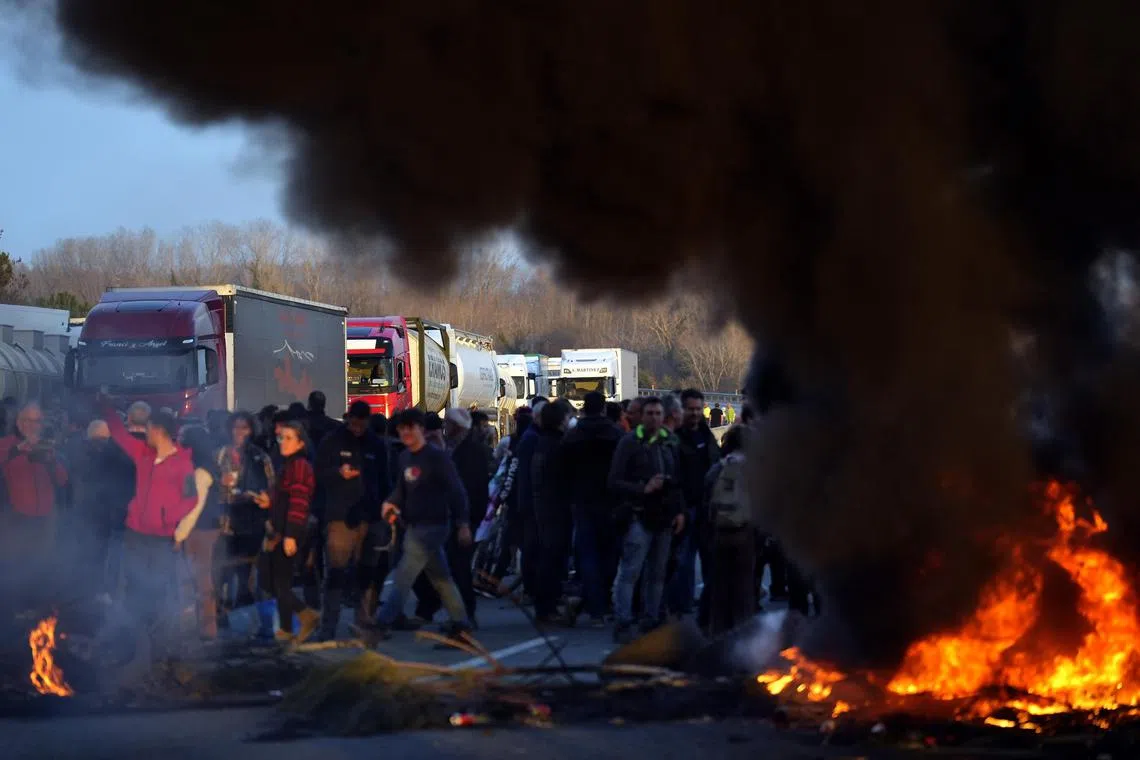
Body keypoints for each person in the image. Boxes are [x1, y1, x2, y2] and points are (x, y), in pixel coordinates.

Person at [364, 409, 472, 641]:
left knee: (404, 574)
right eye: (402, 429)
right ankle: (461, 623)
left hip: (433, 525)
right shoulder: (405, 457)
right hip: (413, 525)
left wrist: (463, 523)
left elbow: (456, 491)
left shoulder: (436, 457)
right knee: (441, 578)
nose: (406, 433)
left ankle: (381, 623)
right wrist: (390, 504)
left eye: (411, 428)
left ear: (421, 429)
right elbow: (401, 490)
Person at [102, 401, 198, 649]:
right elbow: (120, 435)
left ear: (157, 430)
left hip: (160, 538)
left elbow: (191, 498)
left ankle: (156, 642)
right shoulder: (143, 454)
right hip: (135, 533)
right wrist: (105, 406)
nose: (144, 433)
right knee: (133, 584)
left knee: (156, 587)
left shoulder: (182, 463)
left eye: (147, 429)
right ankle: (135, 639)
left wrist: (167, 516)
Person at [608, 397, 685, 643]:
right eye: (650, 413)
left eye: (658, 413)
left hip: (664, 517)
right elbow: (614, 482)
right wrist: (643, 488)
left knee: (657, 573)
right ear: (642, 416)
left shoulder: (670, 443)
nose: (654, 417)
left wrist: (679, 511)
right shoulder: (629, 443)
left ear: (664, 416)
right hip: (638, 514)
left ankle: (651, 619)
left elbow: (677, 481)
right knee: (630, 571)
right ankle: (623, 621)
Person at [314, 400, 386, 639]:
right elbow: (318, 474)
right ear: (347, 419)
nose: (356, 426)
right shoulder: (332, 442)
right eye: (353, 421)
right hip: (340, 517)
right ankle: (328, 627)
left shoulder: (376, 445)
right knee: (336, 572)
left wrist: (385, 512)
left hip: (371, 517)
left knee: (367, 572)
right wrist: (337, 474)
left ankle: (363, 622)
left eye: (361, 422)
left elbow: (386, 480)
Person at [414, 408, 488, 626]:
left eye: (448, 424)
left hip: (462, 519)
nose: (445, 428)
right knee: (451, 567)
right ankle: (456, 613)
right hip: (452, 518)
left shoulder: (471, 453)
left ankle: (464, 615)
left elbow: (469, 489)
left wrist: (465, 521)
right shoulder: (454, 448)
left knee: (459, 568)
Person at [560, 391, 623, 626]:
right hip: (610, 500)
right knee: (610, 553)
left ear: (584, 408)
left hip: (582, 500)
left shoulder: (573, 436)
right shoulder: (615, 434)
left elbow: (563, 469)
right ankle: (604, 601)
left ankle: (593, 604)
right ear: (604, 408)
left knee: (586, 555)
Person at [258, 420, 321, 643]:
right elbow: (283, 498)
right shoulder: (288, 465)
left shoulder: (300, 466)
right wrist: (268, 501)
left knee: (279, 582)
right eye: (280, 438)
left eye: (288, 438)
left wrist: (291, 535)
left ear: (300, 443)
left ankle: (300, 619)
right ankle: (292, 624)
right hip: (280, 530)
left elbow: (299, 501)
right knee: (272, 581)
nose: (282, 442)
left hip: (289, 531)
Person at [668, 389, 721, 620]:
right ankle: (683, 604)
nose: (695, 413)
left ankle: (710, 602)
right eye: (691, 409)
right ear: (682, 409)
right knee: (684, 559)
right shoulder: (674, 438)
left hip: (707, 505)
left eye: (699, 409)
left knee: (710, 556)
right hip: (685, 506)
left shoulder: (705, 434)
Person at [217, 411, 275, 610]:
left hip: (251, 522)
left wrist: (263, 498)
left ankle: (245, 616)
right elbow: (207, 487)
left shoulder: (260, 456)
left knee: (246, 573)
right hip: (225, 522)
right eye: (236, 427)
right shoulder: (220, 454)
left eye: (244, 427)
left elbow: (271, 487)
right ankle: (222, 614)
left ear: (251, 430)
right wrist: (221, 485)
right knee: (222, 572)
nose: (239, 432)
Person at [71, 419, 134, 598]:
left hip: (104, 513)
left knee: (102, 553)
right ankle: (97, 589)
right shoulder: (112, 454)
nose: (99, 445)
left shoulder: (102, 455)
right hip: (97, 512)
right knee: (100, 553)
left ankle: (96, 588)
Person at [0, 401, 69, 560]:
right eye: (27, 420)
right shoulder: (7, 443)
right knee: (14, 567)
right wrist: (18, 449)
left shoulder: (46, 445)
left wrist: (50, 461)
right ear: (18, 422)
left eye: (36, 421)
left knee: (41, 566)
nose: (32, 425)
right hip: (15, 518)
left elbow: (62, 479)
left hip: (45, 519)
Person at [175, 425, 225, 639]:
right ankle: (203, 627)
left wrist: (179, 535)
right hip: (206, 529)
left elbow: (194, 508)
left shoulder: (201, 472)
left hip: (200, 531)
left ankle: (207, 629)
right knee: (200, 578)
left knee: (201, 578)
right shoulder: (207, 467)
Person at [705, 424, 755, 635]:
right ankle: (743, 636)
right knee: (743, 588)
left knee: (720, 586)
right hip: (745, 533)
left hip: (719, 533)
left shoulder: (718, 467)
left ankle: (718, 633)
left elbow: (707, 496)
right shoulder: (753, 468)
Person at [530, 400, 573, 624]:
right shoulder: (558, 445)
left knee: (547, 559)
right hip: (556, 508)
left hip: (543, 507)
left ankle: (545, 605)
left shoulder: (541, 444)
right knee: (553, 560)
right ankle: (548, 606)